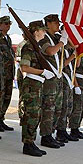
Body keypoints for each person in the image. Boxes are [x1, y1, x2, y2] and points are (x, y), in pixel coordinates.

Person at [19, 21, 55, 156]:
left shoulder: (36, 47)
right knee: (31, 115)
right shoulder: (28, 47)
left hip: (37, 84)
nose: (45, 32)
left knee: (36, 115)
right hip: (32, 84)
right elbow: (24, 67)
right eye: (43, 30)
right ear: (36, 32)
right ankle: (27, 144)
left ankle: (31, 142)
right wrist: (42, 72)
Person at [37, 14, 66, 149]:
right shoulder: (44, 39)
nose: (58, 25)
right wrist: (61, 43)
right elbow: (50, 51)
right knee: (48, 108)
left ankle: (51, 133)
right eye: (55, 23)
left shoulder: (55, 38)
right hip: (49, 81)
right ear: (48, 24)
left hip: (56, 79)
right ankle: (45, 136)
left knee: (56, 108)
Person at [56, 41, 79, 142]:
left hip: (69, 81)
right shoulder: (62, 49)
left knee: (68, 108)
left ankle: (64, 130)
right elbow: (63, 64)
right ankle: (60, 132)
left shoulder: (69, 50)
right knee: (63, 107)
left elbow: (75, 66)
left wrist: (77, 54)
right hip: (64, 80)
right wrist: (72, 56)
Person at [0, 16, 15, 132]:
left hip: (9, 74)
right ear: (1, 24)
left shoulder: (8, 38)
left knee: (7, 98)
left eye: (9, 24)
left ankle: (1, 119)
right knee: (0, 99)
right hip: (2, 74)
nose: (8, 26)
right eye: (6, 24)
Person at [68, 55, 83, 139]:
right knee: (77, 107)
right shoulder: (77, 55)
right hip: (79, 82)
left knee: (82, 107)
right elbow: (73, 70)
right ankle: (73, 129)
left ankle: (77, 127)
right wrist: (76, 85)